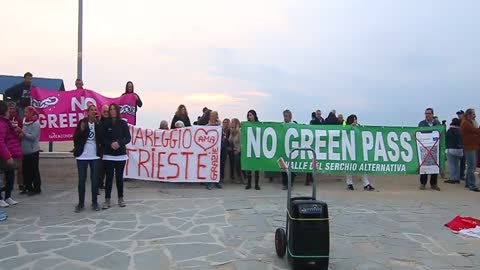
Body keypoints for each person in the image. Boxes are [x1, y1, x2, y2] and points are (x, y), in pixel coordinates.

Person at [72, 105, 103, 212]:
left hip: (94, 155)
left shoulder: (98, 124)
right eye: (91, 110)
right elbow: (75, 139)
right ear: (87, 112)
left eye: (95, 110)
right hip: (82, 156)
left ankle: (95, 202)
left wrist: (98, 123)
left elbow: (101, 138)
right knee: (82, 180)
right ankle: (81, 203)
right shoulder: (82, 123)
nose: (94, 112)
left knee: (95, 180)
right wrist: (81, 131)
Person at [102, 103, 132, 209]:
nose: (112, 111)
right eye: (111, 109)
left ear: (117, 111)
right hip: (109, 155)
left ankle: (121, 198)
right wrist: (110, 144)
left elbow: (128, 138)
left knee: (119, 178)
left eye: (114, 109)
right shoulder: (105, 124)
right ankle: (107, 200)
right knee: (109, 178)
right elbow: (103, 138)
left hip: (120, 155)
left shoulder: (123, 123)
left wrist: (119, 143)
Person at [0, 101, 22, 207]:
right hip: (3, 154)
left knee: (10, 175)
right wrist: (7, 156)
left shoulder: (6, 122)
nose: (10, 112)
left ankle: (8, 196)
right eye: (8, 110)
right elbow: (0, 140)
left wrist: (16, 131)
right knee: (3, 176)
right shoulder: (1, 123)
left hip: (9, 151)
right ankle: (1, 198)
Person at [345, 115, 375, 191]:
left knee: (362, 166)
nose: (356, 121)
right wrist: (350, 127)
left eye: (356, 119)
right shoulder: (346, 128)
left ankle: (366, 184)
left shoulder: (359, 127)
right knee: (349, 168)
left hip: (358, 150)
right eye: (354, 119)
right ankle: (349, 184)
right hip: (349, 150)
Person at [18, 106, 42, 197]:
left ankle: (37, 188)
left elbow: (33, 137)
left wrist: (23, 133)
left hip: (33, 151)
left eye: (26, 112)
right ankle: (28, 186)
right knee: (25, 170)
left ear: (32, 113)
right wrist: (20, 134)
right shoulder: (25, 121)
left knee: (34, 170)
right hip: (25, 151)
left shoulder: (36, 123)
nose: (24, 114)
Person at [418, 108, 441, 191]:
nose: (427, 115)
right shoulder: (422, 123)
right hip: (424, 146)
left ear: (432, 114)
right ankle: (423, 183)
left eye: (428, 113)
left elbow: (440, 132)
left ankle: (433, 184)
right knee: (424, 165)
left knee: (435, 165)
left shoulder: (437, 123)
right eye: (426, 113)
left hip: (435, 147)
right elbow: (419, 133)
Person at [460, 108, 480, 192]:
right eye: (473, 114)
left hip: (472, 146)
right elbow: (475, 130)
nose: (474, 115)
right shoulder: (466, 123)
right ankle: (472, 185)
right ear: (469, 114)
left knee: (470, 166)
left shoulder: (467, 122)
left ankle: (468, 183)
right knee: (471, 166)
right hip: (470, 146)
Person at [7, 101, 24, 192]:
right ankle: (7, 184)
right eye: (10, 109)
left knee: (19, 166)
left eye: (13, 109)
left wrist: (19, 132)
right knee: (7, 166)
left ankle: (20, 183)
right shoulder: (4, 119)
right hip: (7, 145)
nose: (12, 111)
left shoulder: (19, 119)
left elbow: (21, 132)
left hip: (17, 144)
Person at [205, 111, 223, 190]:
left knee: (217, 166)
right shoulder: (206, 126)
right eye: (211, 115)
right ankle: (208, 183)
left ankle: (216, 181)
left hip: (217, 150)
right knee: (209, 166)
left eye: (214, 116)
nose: (213, 117)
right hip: (209, 149)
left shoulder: (219, 127)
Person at [444, 118, 463, 184]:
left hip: (451, 148)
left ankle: (452, 178)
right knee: (457, 164)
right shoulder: (460, 130)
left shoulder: (450, 130)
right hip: (460, 149)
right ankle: (457, 178)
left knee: (451, 164)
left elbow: (446, 138)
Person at [282, 110, 297, 190]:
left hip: (292, 150)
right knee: (283, 168)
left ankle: (290, 184)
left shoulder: (294, 125)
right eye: (284, 116)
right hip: (284, 150)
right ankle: (284, 183)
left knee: (292, 168)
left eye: (286, 116)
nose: (285, 118)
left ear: (290, 117)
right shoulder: (282, 125)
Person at [245, 110, 260, 190]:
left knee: (257, 167)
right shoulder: (246, 125)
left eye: (251, 115)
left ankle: (257, 184)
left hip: (256, 147)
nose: (249, 117)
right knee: (249, 167)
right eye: (248, 115)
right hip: (249, 147)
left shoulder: (259, 125)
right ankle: (249, 183)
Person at [97, 104, 110, 190]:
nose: (106, 113)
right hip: (101, 147)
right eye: (104, 111)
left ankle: (103, 184)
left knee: (107, 168)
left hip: (109, 148)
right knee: (100, 167)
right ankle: (99, 184)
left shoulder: (112, 122)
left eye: (107, 111)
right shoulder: (98, 122)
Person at [228, 118, 243, 184]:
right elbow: (230, 141)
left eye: (232, 122)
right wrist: (231, 134)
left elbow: (242, 143)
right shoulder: (232, 132)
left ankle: (241, 177)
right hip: (234, 150)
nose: (231, 123)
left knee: (237, 160)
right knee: (231, 158)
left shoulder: (240, 132)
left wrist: (238, 150)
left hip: (240, 150)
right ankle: (233, 176)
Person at [457, 110, 466, 180]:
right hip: (460, 143)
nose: (459, 116)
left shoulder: (465, 122)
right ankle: (459, 174)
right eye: (458, 114)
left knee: (463, 160)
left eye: (460, 114)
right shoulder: (458, 122)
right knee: (459, 160)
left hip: (464, 143)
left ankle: (461, 174)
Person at [221, 118, 230, 183]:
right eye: (224, 122)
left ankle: (222, 177)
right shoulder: (220, 130)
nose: (225, 124)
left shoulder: (230, 131)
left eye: (226, 122)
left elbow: (229, 141)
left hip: (227, 147)